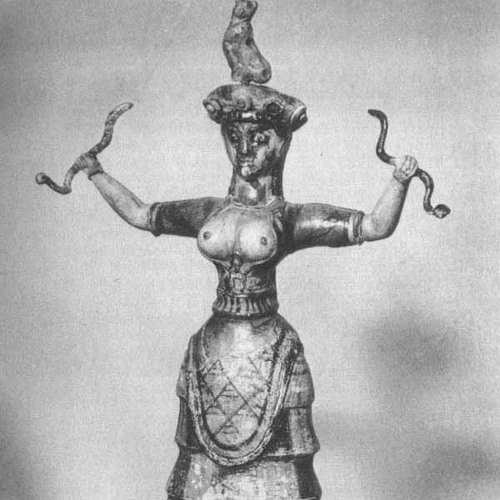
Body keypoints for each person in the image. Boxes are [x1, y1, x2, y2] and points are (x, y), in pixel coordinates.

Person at [75, 79, 417, 499]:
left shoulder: (289, 218)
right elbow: (141, 214)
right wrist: (96, 173)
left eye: (258, 139)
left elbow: (373, 227)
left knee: (281, 473)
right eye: (234, 137)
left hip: (270, 350)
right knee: (201, 472)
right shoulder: (208, 211)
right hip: (214, 347)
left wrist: (399, 181)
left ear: (280, 142)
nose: (245, 149)